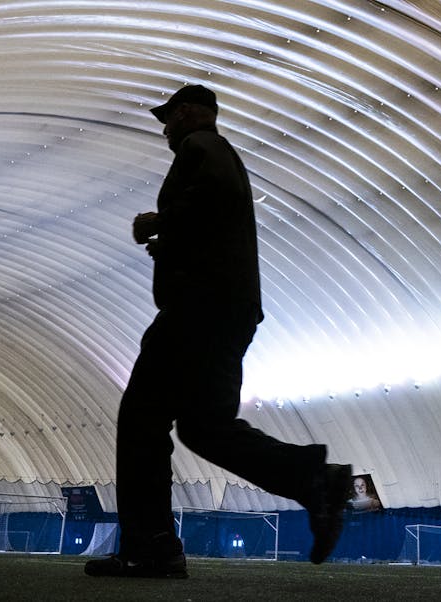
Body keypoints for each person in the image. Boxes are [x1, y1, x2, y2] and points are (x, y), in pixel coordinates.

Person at [84, 84, 353, 579]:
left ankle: (153, 548)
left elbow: (217, 194)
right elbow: (218, 212)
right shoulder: (212, 153)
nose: (165, 128)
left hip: (199, 307)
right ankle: (314, 479)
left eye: (169, 118)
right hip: (227, 308)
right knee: (205, 428)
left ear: (188, 113)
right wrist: (174, 245)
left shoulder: (200, 145)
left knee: (143, 418)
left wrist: (159, 222)